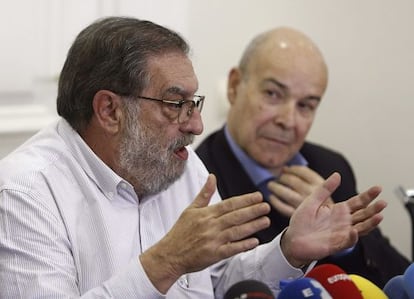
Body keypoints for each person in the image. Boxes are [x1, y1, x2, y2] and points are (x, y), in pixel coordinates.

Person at [0, 17, 385, 298]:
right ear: (110, 111)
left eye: (194, 102)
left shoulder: (180, 167)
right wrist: (163, 263)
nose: (197, 124)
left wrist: (287, 250)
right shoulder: (24, 192)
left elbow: (218, 282)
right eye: (175, 103)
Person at [195, 26, 411, 288]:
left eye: (305, 105)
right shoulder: (198, 181)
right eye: (273, 94)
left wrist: (345, 243)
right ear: (234, 86)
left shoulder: (330, 168)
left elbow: (399, 279)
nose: (288, 121)